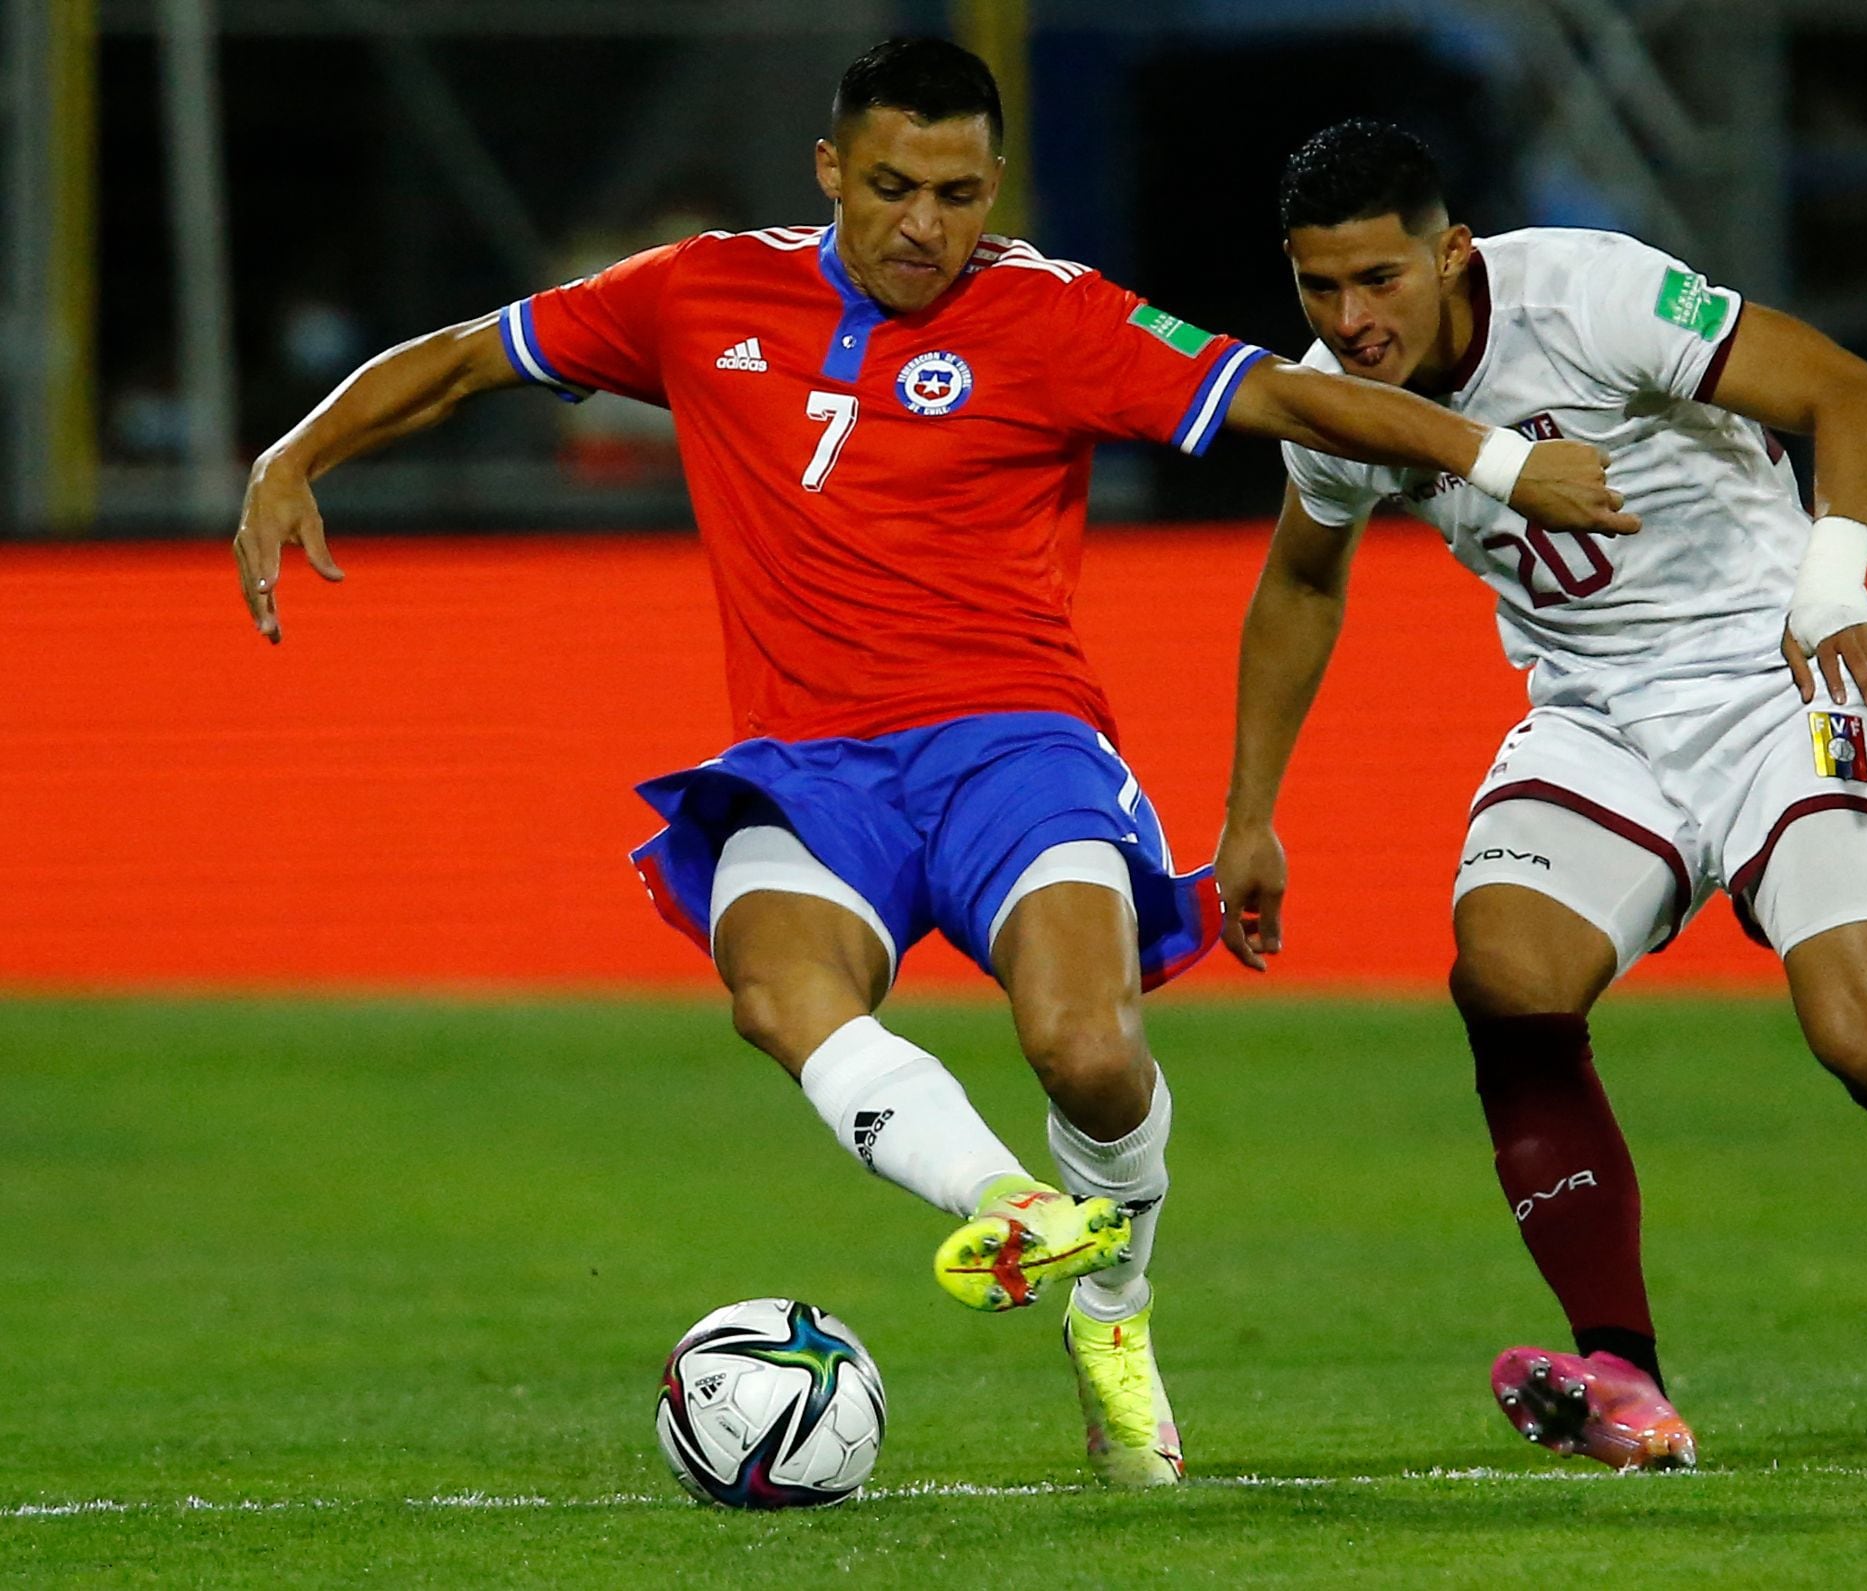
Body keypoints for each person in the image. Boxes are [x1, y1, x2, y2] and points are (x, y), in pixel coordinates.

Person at [230, 47, 1630, 1488]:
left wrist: (1504, 465)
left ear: (994, 187)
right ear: (832, 171)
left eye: (959, 194)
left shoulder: (1058, 317)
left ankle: (1113, 1310)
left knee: (1087, 1049)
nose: (924, 226)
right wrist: (295, 451)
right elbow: (473, 353)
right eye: (893, 187)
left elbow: (1287, 397)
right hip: (813, 763)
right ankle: (1011, 1202)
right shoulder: (699, 294)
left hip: (1013, 746)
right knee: (776, 990)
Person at [1213, 120, 1867, 1472]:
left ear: (1451, 253)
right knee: (1506, 980)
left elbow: (1859, 399)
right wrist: (1251, 810)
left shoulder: (1592, 296)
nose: (1350, 318)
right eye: (1319, 287)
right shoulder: (1339, 401)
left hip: (1778, 675)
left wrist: (1830, 585)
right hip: (1598, 718)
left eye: (1378, 279)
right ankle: (1625, 1376)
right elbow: (1304, 581)